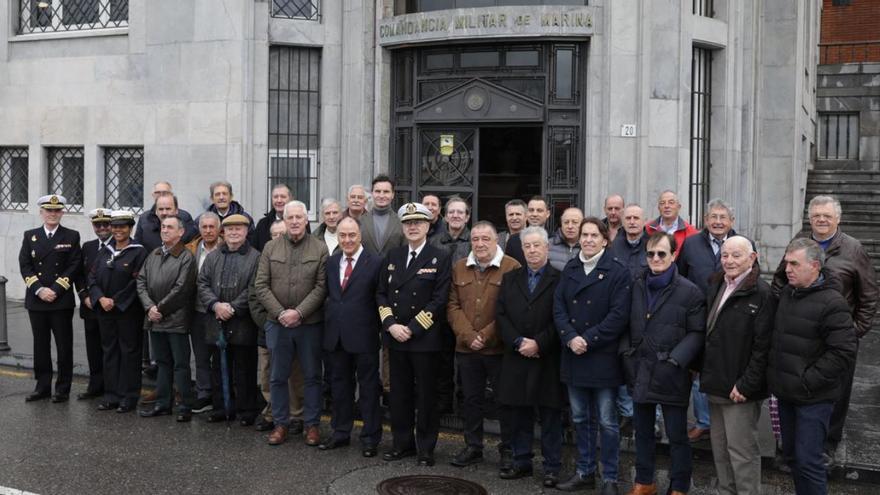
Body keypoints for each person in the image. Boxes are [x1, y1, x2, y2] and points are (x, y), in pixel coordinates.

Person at [772, 195, 878, 463]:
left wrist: (854, 332)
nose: (821, 219)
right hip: (801, 335)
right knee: (796, 386)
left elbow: (869, 296)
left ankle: (828, 444)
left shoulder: (854, 250)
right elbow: (778, 281)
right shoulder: (798, 245)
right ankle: (795, 438)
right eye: (816, 214)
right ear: (809, 217)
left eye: (827, 215)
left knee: (836, 393)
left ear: (838, 219)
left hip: (837, 338)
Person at [768, 238, 857, 495]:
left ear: (815, 266)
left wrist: (806, 380)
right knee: (794, 459)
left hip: (813, 398)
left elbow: (843, 352)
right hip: (786, 395)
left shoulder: (833, 302)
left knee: (809, 462)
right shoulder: (787, 293)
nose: (787, 269)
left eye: (795, 264)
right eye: (786, 263)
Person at [622, 232, 705, 495]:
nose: (655, 258)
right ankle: (645, 481)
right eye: (650, 253)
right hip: (640, 369)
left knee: (677, 435)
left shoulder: (690, 291)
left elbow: (697, 332)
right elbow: (623, 321)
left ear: (673, 255)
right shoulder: (635, 284)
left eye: (661, 253)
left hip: (671, 372)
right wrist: (626, 353)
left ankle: (679, 485)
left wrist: (675, 361)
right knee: (643, 432)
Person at [553, 218, 632, 494]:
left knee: (608, 422)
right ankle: (584, 471)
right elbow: (559, 306)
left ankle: (609, 477)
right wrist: (570, 337)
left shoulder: (618, 271)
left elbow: (619, 316)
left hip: (602, 357)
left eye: (593, 235)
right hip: (574, 354)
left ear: (604, 240)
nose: (587, 239)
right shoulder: (571, 267)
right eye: (584, 235)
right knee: (579, 418)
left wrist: (587, 339)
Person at [377, 203, 452, 467]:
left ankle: (426, 449)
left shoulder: (439, 257)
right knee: (399, 395)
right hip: (396, 338)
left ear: (428, 226)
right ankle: (402, 444)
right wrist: (390, 324)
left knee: (426, 397)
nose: (412, 227)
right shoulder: (393, 256)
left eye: (418, 222)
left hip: (424, 340)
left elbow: (439, 299)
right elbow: (381, 293)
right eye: (408, 223)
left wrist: (413, 327)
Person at [699, 236, 774, 495]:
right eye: (725, 255)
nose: (729, 261)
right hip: (716, 381)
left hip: (739, 389)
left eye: (736, 255)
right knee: (720, 449)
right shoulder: (717, 283)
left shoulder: (762, 293)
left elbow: (763, 347)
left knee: (741, 453)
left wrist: (747, 384)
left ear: (752, 258)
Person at [447, 221, 520, 470]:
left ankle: (507, 449)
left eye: (485, 239)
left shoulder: (512, 267)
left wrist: (486, 336)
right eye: (475, 239)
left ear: (496, 240)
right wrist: (468, 335)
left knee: (505, 400)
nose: (479, 243)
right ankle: (473, 446)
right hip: (467, 349)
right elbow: (452, 305)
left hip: (498, 349)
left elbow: (512, 309)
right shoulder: (459, 268)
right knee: (471, 399)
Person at [255, 200, 328, 446]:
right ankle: (281, 424)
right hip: (277, 324)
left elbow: (321, 287)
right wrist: (281, 313)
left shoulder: (319, 248)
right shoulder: (270, 248)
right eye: (290, 218)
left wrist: (299, 312)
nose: (295, 221)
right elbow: (261, 285)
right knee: (277, 377)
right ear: (284, 221)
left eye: (299, 217)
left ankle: (312, 425)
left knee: (312, 376)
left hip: (309, 324)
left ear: (307, 220)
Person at [496, 227, 564, 488]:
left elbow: (561, 318)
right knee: (519, 413)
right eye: (528, 246)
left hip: (546, 357)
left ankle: (551, 467)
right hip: (516, 355)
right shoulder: (510, 278)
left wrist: (539, 344)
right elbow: (500, 314)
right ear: (522, 249)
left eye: (537, 245)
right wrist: (518, 341)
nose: (532, 250)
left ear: (547, 248)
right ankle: (521, 461)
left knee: (549, 415)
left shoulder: (559, 279)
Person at [676, 199, 741, 442]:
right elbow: (680, 275)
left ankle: (724, 422)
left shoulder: (741, 244)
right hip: (697, 317)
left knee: (725, 367)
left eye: (723, 217)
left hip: (729, 318)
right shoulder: (691, 244)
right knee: (697, 369)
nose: (717, 222)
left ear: (731, 222)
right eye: (713, 217)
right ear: (705, 220)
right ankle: (704, 422)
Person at [318, 217, 383, 457]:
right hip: (335, 337)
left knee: (368, 390)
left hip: (364, 336)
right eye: (343, 235)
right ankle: (340, 432)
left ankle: (370, 437)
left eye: (351, 235)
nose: (347, 240)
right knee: (340, 388)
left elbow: (380, 299)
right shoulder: (332, 261)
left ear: (360, 236)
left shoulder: (376, 262)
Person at [198, 214, 262, 425]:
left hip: (242, 322)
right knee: (218, 367)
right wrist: (216, 305)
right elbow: (203, 284)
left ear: (246, 232)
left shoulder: (255, 257)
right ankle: (221, 408)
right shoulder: (213, 257)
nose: (234, 233)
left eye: (239, 229)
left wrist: (233, 308)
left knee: (245, 369)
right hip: (216, 321)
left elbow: (253, 288)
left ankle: (246, 411)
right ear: (223, 232)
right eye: (230, 229)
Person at [19, 194, 82, 403]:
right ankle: (42, 386)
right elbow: (25, 265)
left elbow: (74, 265)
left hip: (60, 299)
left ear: (62, 212)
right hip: (37, 300)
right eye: (49, 210)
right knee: (40, 345)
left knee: (64, 346)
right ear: (42, 212)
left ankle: (63, 388)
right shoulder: (30, 236)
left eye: (57, 211)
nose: (53, 214)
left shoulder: (72, 236)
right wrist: (39, 289)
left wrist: (55, 289)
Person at [136, 215, 197, 422]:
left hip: (176, 320)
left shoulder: (186, 257)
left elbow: (182, 289)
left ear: (180, 232)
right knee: (162, 363)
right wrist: (149, 307)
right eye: (163, 227)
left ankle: (185, 406)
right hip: (155, 319)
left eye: (170, 227)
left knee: (180, 364)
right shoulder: (153, 254)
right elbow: (141, 282)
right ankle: (163, 403)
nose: (165, 230)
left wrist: (159, 308)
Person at [88, 210, 148, 413]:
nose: (118, 230)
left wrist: (115, 301)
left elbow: (137, 282)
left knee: (129, 353)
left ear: (130, 228)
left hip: (127, 311)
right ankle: (111, 395)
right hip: (105, 311)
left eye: (122, 226)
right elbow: (92, 278)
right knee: (109, 353)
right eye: (115, 226)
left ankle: (128, 397)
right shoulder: (105, 250)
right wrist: (100, 298)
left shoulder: (139, 252)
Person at [249, 220, 306, 434]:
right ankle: (271, 411)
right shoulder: (265, 258)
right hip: (268, 326)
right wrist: (268, 320)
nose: (279, 237)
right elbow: (255, 294)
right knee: (267, 374)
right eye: (275, 234)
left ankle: (294, 414)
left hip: (294, 326)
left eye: (282, 233)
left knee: (293, 374)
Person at [185, 212, 223, 414]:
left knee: (220, 356)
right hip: (197, 311)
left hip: (219, 311)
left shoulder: (226, 249)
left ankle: (221, 395)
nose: (208, 231)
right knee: (200, 356)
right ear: (199, 229)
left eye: (212, 227)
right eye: (204, 227)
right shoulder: (191, 249)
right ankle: (203, 394)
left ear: (219, 229)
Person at [75, 208, 113, 400]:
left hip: (109, 307)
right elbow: (80, 275)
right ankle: (95, 386)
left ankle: (111, 387)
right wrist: (84, 296)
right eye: (97, 224)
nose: (102, 228)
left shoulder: (119, 245)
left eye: (106, 224)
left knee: (110, 349)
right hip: (90, 307)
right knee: (93, 349)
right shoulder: (88, 247)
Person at [360, 175, 405, 258]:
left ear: (392, 195)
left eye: (386, 192)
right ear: (372, 193)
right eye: (378, 191)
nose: (381, 195)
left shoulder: (401, 222)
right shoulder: (360, 221)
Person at [505, 196, 551, 267]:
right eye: (531, 210)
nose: (534, 214)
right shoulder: (513, 240)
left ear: (547, 214)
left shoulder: (554, 240)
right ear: (526, 213)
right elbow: (508, 268)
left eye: (539, 210)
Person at [609, 204, 649, 281]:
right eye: (628, 218)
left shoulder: (653, 246)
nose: (632, 222)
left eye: (636, 218)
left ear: (645, 221)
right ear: (623, 222)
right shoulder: (613, 246)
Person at [430, 196, 472, 262]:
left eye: (460, 212)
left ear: (467, 218)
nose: (455, 216)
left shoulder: (474, 242)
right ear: (446, 217)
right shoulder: (432, 242)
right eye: (451, 212)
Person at [254, 184, 291, 251]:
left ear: (290, 199)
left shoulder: (299, 222)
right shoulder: (262, 224)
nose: (279, 200)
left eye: (283, 197)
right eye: (275, 197)